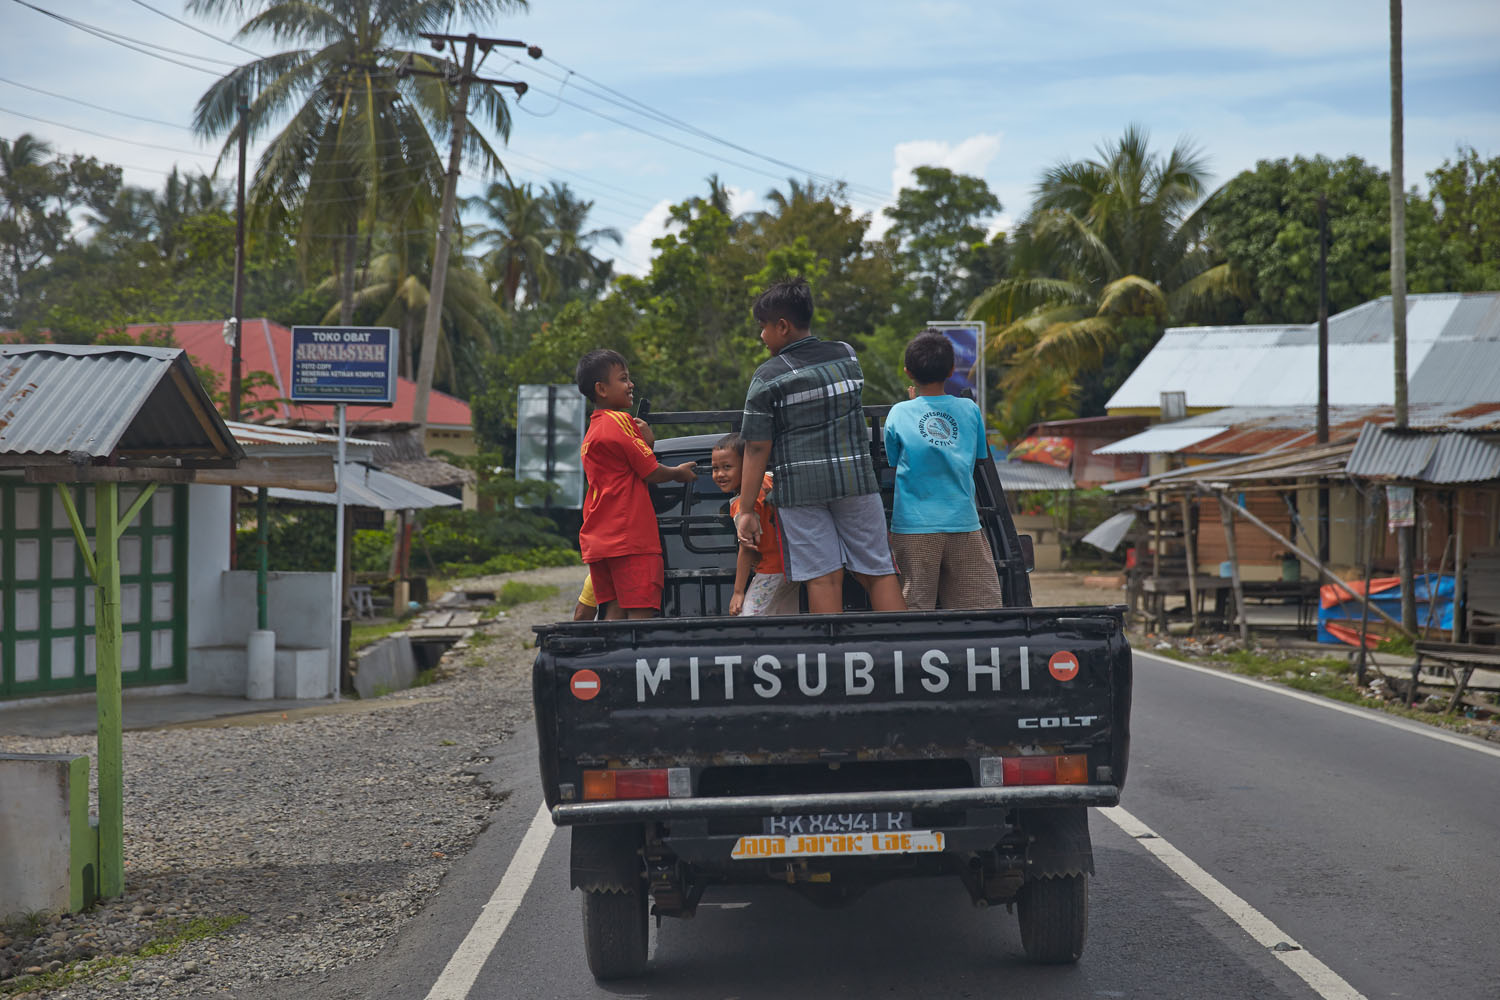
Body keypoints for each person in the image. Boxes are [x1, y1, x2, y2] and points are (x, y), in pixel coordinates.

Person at [735, 278, 905, 614]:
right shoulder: (846, 355)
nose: (761, 336)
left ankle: (833, 659)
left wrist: (746, 510)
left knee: (824, 579)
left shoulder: (767, 377)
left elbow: (756, 447)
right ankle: (905, 653)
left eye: (763, 328)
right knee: (878, 571)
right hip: (856, 480)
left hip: (800, 491)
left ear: (782, 326)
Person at [883, 329, 1004, 611]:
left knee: (913, 610)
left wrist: (915, 406)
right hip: (964, 523)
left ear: (908, 372)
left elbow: (893, 461)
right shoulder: (969, 409)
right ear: (951, 370)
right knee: (979, 611)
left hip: (914, 527)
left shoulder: (899, 412)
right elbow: (977, 458)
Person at [575, 349, 697, 620]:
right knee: (640, 619)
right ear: (602, 389)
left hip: (600, 539)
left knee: (614, 613)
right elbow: (650, 471)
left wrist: (645, 444)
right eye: (624, 379)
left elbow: (624, 466)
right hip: (630, 538)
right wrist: (678, 472)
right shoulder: (621, 421)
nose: (631, 385)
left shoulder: (593, 430)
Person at [711, 433, 800, 616]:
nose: (720, 474)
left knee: (750, 619)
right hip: (795, 564)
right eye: (715, 468)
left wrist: (738, 592)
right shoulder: (769, 479)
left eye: (727, 467)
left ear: (748, 466)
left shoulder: (741, 505)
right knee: (786, 620)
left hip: (771, 569)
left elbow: (747, 547)